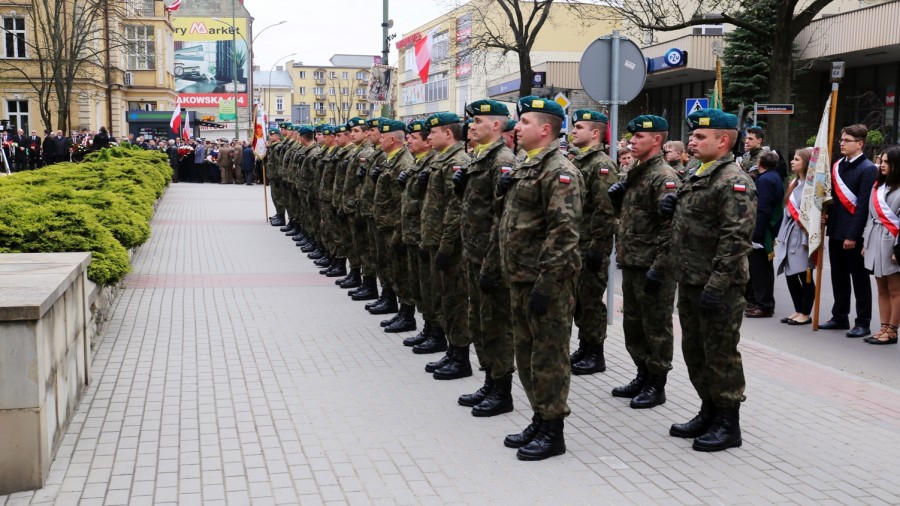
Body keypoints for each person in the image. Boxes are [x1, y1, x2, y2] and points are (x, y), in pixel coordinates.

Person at [660, 108, 756, 452]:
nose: (692, 141)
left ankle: (728, 423)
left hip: (719, 286)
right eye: (693, 135)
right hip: (690, 278)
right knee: (695, 351)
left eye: (701, 136)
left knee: (720, 353)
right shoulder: (697, 173)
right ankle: (709, 409)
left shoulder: (733, 180)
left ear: (724, 140)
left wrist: (717, 286)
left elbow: (736, 239)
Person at [493, 96, 582, 461]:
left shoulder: (559, 171)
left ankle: (553, 429)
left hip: (546, 282)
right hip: (520, 276)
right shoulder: (527, 166)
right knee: (527, 354)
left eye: (525, 121)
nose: (517, 127)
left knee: (549, 357)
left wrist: (547, 284)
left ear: (546, 129)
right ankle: (540, 417)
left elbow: (564, 232)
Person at [607, 115, 680, 409]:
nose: (632, 142)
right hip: (633, 261)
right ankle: (642, 373)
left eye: (639, 137)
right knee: (634, 326)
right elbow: (629, 217)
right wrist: (616, 199)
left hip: (652, 265)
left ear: (657, 140)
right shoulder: (634, 173)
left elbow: (671, 229)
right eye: (631, 137)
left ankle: (656, 382)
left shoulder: (664, 177)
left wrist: (660, 269)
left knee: (655, 326)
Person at [453, 99, 517, 416]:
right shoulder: (479, 158)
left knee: (496, 325)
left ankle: (502, 389)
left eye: (478, 121)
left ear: (496, 125)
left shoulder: (502, 160)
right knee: (479, 323)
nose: (472, 126)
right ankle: (490, 381)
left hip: (491, 259)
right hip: (474, 253)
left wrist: (492, 264)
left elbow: (501, 218)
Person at [417, 112, 470, 375]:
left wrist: (446, 246)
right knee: (442, 298)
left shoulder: (457, 162)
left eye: (433, 132)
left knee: (455, 300)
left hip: (450, 246)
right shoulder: (442, 160)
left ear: (447, 133)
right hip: (435, 240)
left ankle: (460, 357)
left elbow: (455, 209)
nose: (429, 137)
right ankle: (451, 350)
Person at [567, 109, 618, 376]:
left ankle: (595, 353)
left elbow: (605, 210)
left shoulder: (601, 165)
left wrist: (599, 247)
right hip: (577, 244)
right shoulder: (579, 161)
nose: (573, 131)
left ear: (595, 133)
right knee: (579, 301)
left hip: (590, 246)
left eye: (579, 127)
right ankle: (585, 346)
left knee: (590, 301)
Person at [820, 124, 878, 338]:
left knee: (859, 279)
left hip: (854, 234)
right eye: (841, 140)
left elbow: (863, 205)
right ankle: (840, 316)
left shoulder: (868, 169)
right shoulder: (838, 165)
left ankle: (863, 322)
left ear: (860, 144)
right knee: (838, 276)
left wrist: (853, 235)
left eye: (847, 140)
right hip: (836, 229)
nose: (841, 143)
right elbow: (834, 199)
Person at [774, 148, 816, 325]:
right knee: (789, 273)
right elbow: (786, 211)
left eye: (797, 159)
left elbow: (812, 215)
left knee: (803, 274)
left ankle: (805, 313)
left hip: (803, 235)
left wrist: (809, 239)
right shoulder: (793, 183)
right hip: (790, 232)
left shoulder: (812, 186)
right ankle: (798, 308)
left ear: (805, 163)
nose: (792, 162)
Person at [863, 145, 900, 345]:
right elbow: (871, 216)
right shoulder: (878, 187)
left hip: (893, 243)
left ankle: (893, 331)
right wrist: (865, 241)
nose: (882, 165)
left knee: (896, 290)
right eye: (881, 161)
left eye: (887, 162)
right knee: (881, 289)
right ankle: (883, 327)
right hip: (876, 239)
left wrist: (898, 249)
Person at [744, 150, 784, 318]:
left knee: (760, 270)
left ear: (760, 163)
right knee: (757, 268)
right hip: (764, 230)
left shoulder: (766, 180)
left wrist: (756, 235)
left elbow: (762, 209)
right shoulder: (772, 177)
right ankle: (754, 300)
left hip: (761, 232)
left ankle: (764, 304)